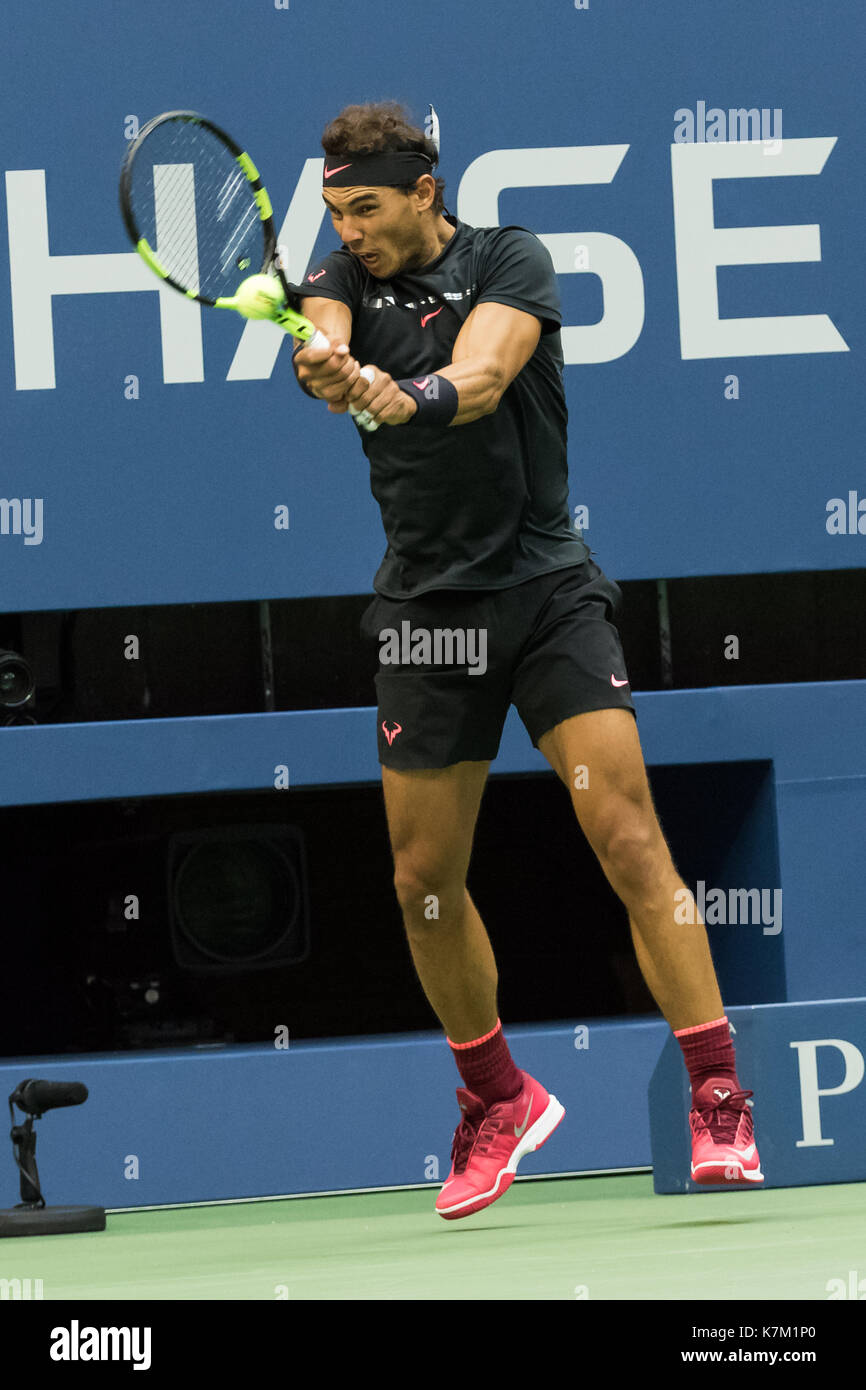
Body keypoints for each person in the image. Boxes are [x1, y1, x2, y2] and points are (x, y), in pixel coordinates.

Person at [290, 100, 763, 1219]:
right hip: (427, 615)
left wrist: (405, 393)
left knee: (625, 830)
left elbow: (488, 375)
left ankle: (715, 1094)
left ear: (422, 192)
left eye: (367, 207)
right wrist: (328, 366)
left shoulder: (509, 256)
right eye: (334, 210)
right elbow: (321, 329)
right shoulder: (337, 272)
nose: (350, 230)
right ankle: (496, 1098)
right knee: (422, 881)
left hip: (545, 595)